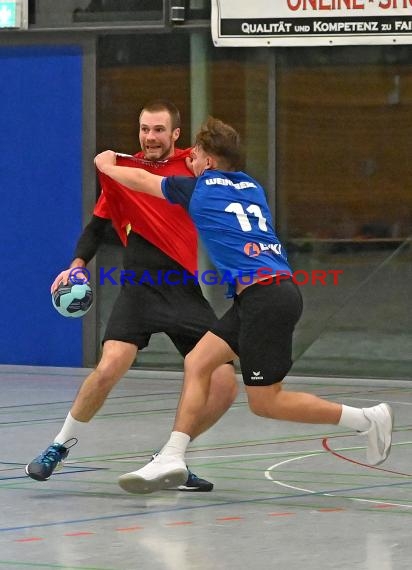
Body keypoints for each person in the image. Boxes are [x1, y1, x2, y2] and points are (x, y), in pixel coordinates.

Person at [93, 116, 394, 494]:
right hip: (262, 295)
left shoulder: (199, 189)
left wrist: (107, 165)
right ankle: (172, 455)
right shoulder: (252, 187)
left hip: (266, 299)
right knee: (197, 361)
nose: (192, 160)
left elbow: (143, 181)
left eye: (197, 155)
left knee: (266, 403)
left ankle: (366, 419)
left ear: (210, 162)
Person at [25, 102, 238, 492]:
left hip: (184, 289)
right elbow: (97, 227)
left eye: (159, 130)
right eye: (144, 129)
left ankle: (170, 459)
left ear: (176, 134)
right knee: (109, 367)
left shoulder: (193, 166)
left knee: (225, 383)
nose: (150, 137)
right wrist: (76, 265)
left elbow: (224, 164)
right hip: (139, 288)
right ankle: (58, 446)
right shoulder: (121, 170)